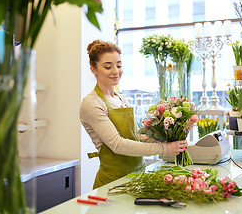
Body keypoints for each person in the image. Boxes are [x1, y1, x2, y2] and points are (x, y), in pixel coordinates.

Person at [80, 40, 187, 189]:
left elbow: (135, 136)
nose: (115, 71)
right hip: (112, 184)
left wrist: (166, 138)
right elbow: (117, 145)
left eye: (118, 65)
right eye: (107, 66)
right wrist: (164, 149)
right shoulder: (92, 103)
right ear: (94, 69)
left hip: (138, 177)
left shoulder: (121, 98)